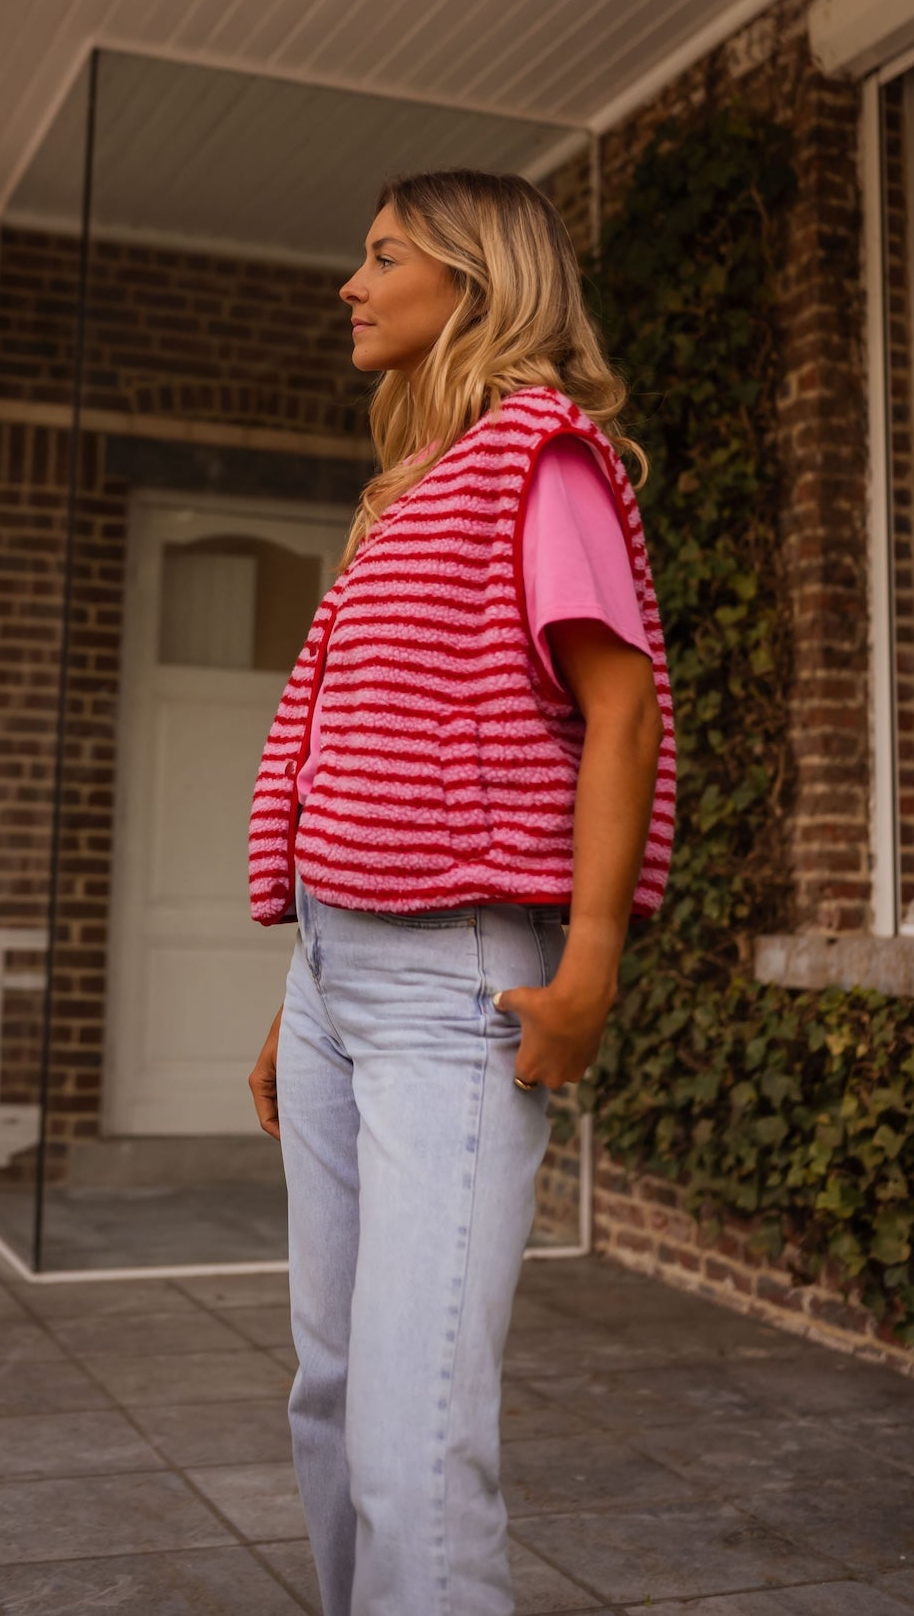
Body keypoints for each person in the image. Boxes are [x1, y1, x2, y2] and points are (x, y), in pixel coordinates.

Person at [247, 168, 674, 1616]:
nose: (349, 285)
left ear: (472, 283)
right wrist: (295, 994)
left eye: (379, 257)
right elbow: (358, 763)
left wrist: (589, 967)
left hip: (455, 991)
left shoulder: (540, 464)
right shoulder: (411, 492)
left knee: (412, 1440)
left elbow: (620, 714)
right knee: (331, 1390)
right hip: (334, 981)